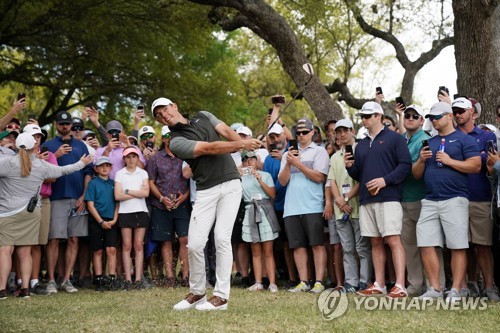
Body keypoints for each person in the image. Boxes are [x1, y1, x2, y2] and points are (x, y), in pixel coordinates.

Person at [152, 97, 261, 311]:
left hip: (230, 184)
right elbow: (208, 148)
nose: (164, 115)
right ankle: (198, 292)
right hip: (205, 190)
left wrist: (240, 144)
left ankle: (221, 297)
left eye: (165, 109)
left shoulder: (203, 116)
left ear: (175, 106)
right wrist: (240, 144)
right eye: (159, 115)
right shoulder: (175, 141)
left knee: (221, 238)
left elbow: (226, 130)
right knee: (193, 244)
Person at [0, 133, 92, 299]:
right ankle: (25, 289)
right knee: (25, 252)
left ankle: (1, 290)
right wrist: (82, 163)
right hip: (31, 212)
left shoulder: (6, 163)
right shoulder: (41, 165)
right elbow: (63, 170)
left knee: (5, 250)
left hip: (7, 212)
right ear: (33, 146)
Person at [413, 102, 480, 302]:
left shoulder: (463, 139)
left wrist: (450, 161)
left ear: (449, 116)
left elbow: (476, 165)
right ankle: (435, 289)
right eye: (431, 118)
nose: (434, 121)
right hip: (430, 199)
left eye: (437, 117)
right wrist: (421, 161)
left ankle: (457, 290)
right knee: (425, 243)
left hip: (455, 199)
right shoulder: (429, 142)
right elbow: (416, 175)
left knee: (457, 246)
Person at [345, 101, 411, 298]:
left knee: (392, 238)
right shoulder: (361, 144)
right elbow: (360, 174)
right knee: (375, 241)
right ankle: (379, 284)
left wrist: (385, 180)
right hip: (366, 199)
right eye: (362, 117)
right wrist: (350, 167)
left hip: (389, 197)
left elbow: (405, 165)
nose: (364, 120)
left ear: (378, 116)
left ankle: (400, 285)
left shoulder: (394, 139)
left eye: (367, 116)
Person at [452, 97, 500, 300]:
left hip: (480, 197)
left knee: (482, 245)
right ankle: (468, 286)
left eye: (462, 110)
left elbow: (492, 167)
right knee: (461, 245)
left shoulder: (486, 136)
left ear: (473, 112)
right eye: (455, 110)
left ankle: (489, 287)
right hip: (455, 198)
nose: (458, 114)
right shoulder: (450, 136)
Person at [42, 111, 94, 294]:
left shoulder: (81, 146)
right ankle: (50, 280)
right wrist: (55, 154)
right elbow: (42, 170)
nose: (65, 126)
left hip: (77, 198)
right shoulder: (47, 145)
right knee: (54, 239)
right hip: (56, 198)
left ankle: (66, 280)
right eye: (61, 124)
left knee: (74, 239)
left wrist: (84, 195)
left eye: (67, 124)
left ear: (71, 125)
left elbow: (88, 171)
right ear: (56, 125)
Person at [278, 118, 330, 294]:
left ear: (312, 132)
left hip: (312, 205)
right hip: (292, 206)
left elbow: (319, 177)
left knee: (317, 244)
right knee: (297, 245)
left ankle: (319, 282)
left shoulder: (319, 151)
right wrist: (288, 163)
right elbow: (283, 181)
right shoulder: (287, 154)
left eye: (304, 132)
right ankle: (303, 281)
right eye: (298, 133)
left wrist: (298, 164)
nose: (301, 136)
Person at [398, 104, 445, 296]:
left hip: (422, 199)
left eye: (414, 116)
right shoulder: (400, 140)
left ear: (420, 120)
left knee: (429, 244)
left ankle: (436, 285)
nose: (409, 118)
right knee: (409, 245)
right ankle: (415, 285)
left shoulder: (426, 140)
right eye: (407, 115)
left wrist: (399, 170)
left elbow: (412, 172)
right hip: (403, 198)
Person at [328, 119, 372, 293]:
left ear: (353, 131)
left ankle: (364, 281)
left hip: (358, 207)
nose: (342, 134)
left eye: (345, 130)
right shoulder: (334, 156)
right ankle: (351, 282)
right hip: (341, 210)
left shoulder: (362, 151)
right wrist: (339, 199)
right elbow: (331, 181)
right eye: (339, 131)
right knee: (347, 248)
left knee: (362, 248)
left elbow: (363, 179)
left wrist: (345, 198)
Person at [146, 126, 191, 288]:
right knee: (166, 241)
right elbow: (150, 181)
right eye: (167, 136)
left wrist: (183, 198)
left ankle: (186, 275)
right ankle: (170, 277)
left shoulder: (186, 157)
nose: (170, 139)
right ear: (163, 139)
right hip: (160, 204)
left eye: (173, 136)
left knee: (185, 239)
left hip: (181, 204)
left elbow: (190, 182)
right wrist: (161, 198)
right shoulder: (155, 159)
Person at [240, 151, 279, 292]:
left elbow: (273, 194)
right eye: (246, 160)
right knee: (255, 250)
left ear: (257, 160)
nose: (249, 162)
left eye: (252, 159)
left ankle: (272, 283)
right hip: (250, 209)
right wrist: (236, 174)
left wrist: (260, 180)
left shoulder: (266, 175)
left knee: (268, 250)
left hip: (264, 209)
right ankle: (258, 282)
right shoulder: (241, 178)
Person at [114, 145, 150, 290]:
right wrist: (137, 192)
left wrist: (127, 191)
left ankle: (138, 278)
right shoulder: (120, 174)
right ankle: (128, 278)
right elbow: (117, 195)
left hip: (140, 211)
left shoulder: (143, 173)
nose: (131, 159)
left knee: (138, 245)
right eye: (128, 157)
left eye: (134, 156)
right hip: (125, 212)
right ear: (124, 159)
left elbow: (145, 193)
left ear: (137, 158)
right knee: (126, 245)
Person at [85, 156, 120, 292]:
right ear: (96, 168)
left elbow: (117, 203)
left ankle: (111, 278)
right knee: (98, 250)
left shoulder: (113, 183)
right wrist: (100, 221)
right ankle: (98, 278)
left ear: (111, 168)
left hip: (111, 220)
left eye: (107, 166)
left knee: (111, 249)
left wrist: (114, 219)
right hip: (97, 220)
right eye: (101, 166)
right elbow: (90, 204)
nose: (105, 168)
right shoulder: (93, 183)